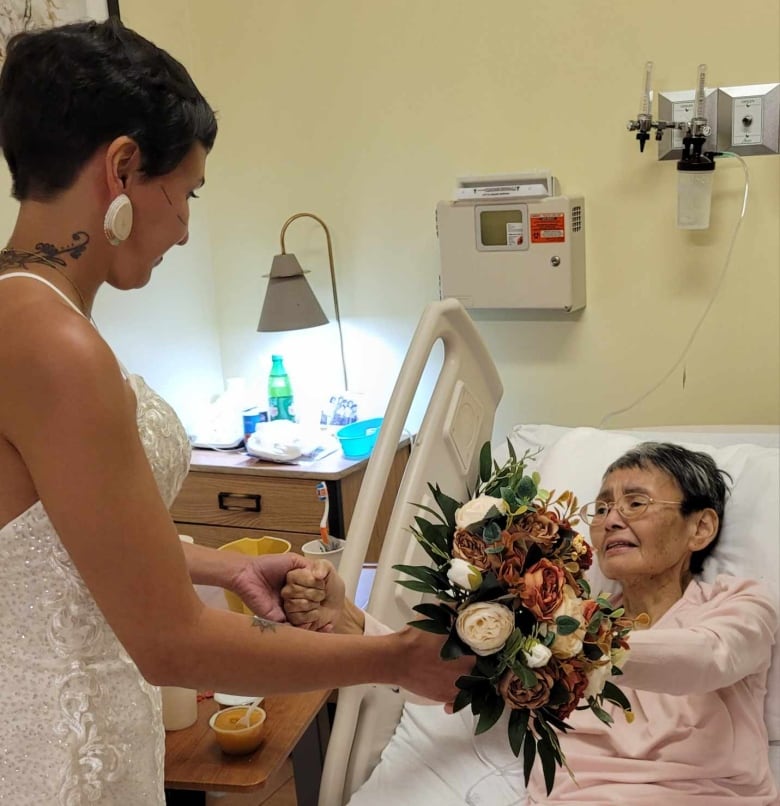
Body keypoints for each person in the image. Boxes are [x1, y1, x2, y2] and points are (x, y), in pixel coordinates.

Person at [0, 19, 471, 804]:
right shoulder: (54, 344)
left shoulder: (28, 317)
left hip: (71, 725)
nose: (184, 229)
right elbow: (172, 645)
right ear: (121, 169)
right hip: (60, 754)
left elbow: (53, 546)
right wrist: (394, 658)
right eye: (184, 194)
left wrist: (225, 564)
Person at [283, 442, 779, 805]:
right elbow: (453, 675)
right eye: (602, 507)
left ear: (701, 527)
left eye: (635, 503)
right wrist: (349, 621)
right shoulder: (554, 617)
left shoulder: (738, 605)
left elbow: (711, 659)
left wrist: (562, 642)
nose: (609, 520)